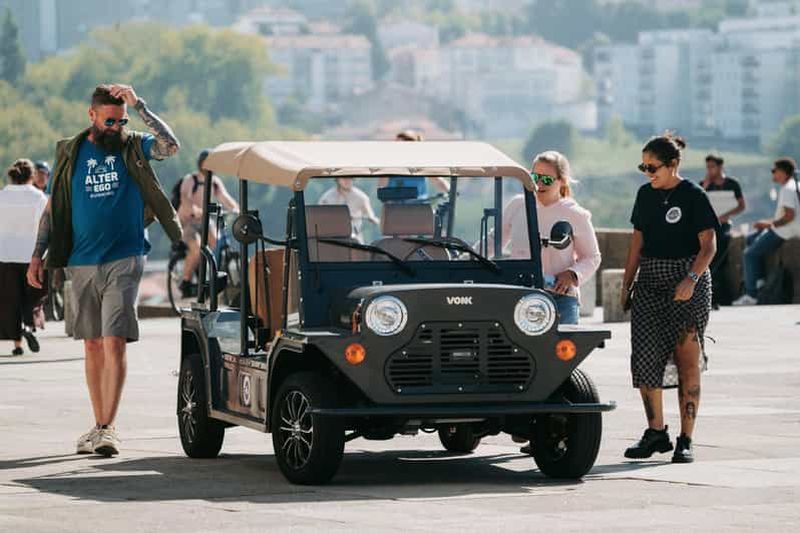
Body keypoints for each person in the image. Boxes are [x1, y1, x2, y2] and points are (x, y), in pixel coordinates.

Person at [27, 83, 182, 456]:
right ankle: (98, 425)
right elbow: (53, 209)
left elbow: (171, 146)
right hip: (80, 261)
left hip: (125, 257)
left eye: (121, 120)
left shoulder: (133, 145)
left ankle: (109, 427)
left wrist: (139, 105)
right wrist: (38, 255)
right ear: (92, 115)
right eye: (109, 120)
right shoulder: (70, 151)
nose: (116, 126)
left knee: (114, 339)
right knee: (92, 345)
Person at [621, 134, 718, 464]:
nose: (647, 172)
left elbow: (708, 246)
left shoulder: (693, 195)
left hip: (687, 279)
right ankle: (655, 432)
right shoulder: (644, 195)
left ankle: (686, 438)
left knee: (687, 360)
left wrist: (690, 279)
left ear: (673, 165)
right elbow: (636, 244)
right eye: (643, 166)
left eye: (653, 167)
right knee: (645, 357)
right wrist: (626, 284)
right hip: (650, 280)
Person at [501, 150, 601, 324]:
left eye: (547, 179)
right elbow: (494, 241)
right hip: (519, 296)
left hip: (561, 299)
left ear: (562, 181)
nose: (539, 183)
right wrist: (467, 259)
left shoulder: (575, 214)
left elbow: (592, 257)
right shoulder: (517, 206)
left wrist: (573, 274)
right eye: (534, 177)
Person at [732, 157, 800, 306]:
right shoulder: (793, 185)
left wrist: (770, 224)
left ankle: (751, 294)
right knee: (750, 239)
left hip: (785, 231)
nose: (773, 174)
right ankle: (759, 280)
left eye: (774, 171)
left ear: (782, 172)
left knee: (749, 254)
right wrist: (767, 224)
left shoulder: (787, 190)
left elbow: (789, 216)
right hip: (786, 228)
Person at [0, 159, 48, 355]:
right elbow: (47, 225)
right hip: (31, 254)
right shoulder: (39, 197)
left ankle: (17, 344)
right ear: (31, 176)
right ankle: (28, 326)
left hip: (5, 254)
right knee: (31, 297)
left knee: (9, 299)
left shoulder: (2, 196)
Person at [177, 149, 240, 298]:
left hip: (206, 220)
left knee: (215, 241)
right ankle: (185, 282)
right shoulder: (190, 180)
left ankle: (205, 270)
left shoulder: (215, 182)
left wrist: (236, 208)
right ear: (201, 164)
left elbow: (225, 198)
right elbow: (184, 198)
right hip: (189, 221)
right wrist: (194, 209)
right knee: (196, 248)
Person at [700, 154, 746, 307]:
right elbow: (697, 203)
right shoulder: (704, 185)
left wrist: (726, 215)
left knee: (719, 256)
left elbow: (741, 205)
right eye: (707, 167)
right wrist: (705, 186)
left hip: (724, 225)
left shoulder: (732, 184)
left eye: (712, 167)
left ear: (720, 167)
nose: (709, 170)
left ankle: (718, 296)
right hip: (708, 225)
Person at [377, 130, 450, 200]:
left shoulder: (422, 165)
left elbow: (438, 181)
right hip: (395, 208)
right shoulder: (390, 165)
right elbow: (382, 187)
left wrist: (450, 192)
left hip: (419, 207)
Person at [318, 178, 380, 243]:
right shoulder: (327, 198)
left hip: (355, 234)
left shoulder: (361, 197)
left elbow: (371, 216)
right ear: (338, 180)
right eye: (344, 178)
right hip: (333, 235)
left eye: (349, 178)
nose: (347, 180)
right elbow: (320, 217)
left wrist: (373, 219)